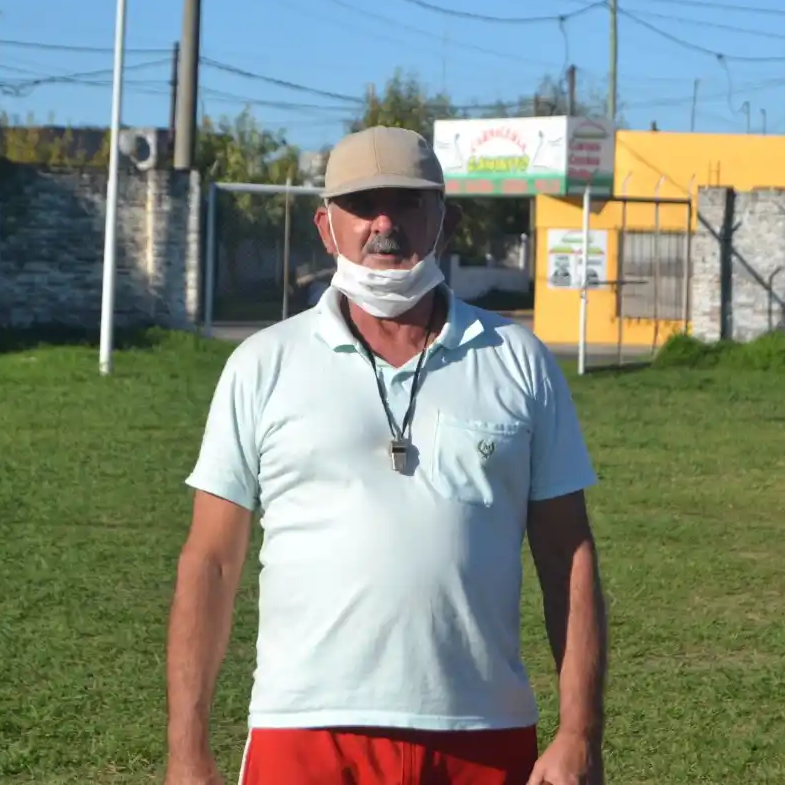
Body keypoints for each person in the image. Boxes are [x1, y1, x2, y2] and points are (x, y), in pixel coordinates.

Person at [164, 125, 608, 785]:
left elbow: (567, 554)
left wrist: (580, 734)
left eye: (406, 202)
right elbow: (212, 562)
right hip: (304, 727)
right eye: (360, 203)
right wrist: (187, 753)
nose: (382, 222)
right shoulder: (262, 365)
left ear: (445, 221)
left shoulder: (518, 361)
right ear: (325, 225)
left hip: (482, 733)